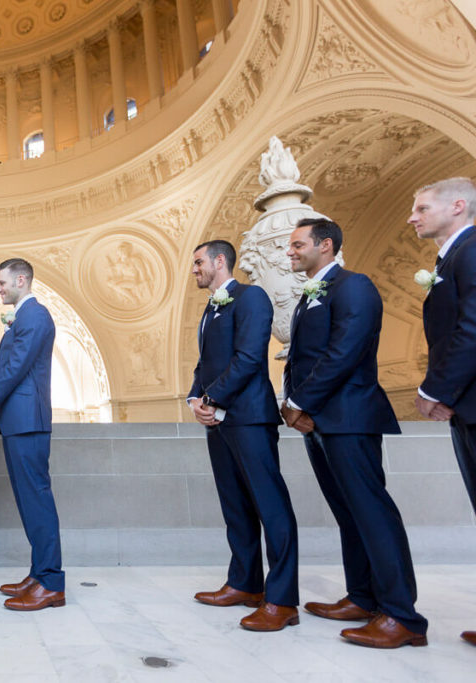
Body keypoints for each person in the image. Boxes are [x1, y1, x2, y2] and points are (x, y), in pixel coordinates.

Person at [282, 217, 427, 648]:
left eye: (297, 244)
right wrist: (296, 404)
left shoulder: (354, 286)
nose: (289, 251)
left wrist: (299, 403)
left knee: (373, 512)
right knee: (348, 513)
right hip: (321, 420)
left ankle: (403, 616)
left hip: (349, 418)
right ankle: (363, 597)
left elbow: (345, 352)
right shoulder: (314, 293)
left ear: (325, 245)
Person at [187, 240, 299, 631]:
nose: (195, 269)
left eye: (199, 262)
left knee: (271, 508)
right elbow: (206, 362)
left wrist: (213, 397)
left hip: (250, 418)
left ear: (220, 261)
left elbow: (250, 358)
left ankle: (282, 600)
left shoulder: (251, 298)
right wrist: (194, 399)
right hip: (218, 420)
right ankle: (245, 583)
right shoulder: (210, 306)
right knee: (235, 506)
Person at [0, 258, 64, 611]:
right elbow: (14, 369)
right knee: (29, 502)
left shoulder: (35, 315)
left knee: (37, 501)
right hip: (18, 421)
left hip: (28, 422)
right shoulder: (24, 316)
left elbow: (16, 368)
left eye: (2, 283)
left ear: (22, 279)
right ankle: (38, 574)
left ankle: (51, 583)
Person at [408, 177, 476, 647]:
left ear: (458, 205)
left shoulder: (470, 251)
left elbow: (472, 327)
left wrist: (436, 388)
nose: (412, 216)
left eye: (421, 207)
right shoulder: (451, 256)